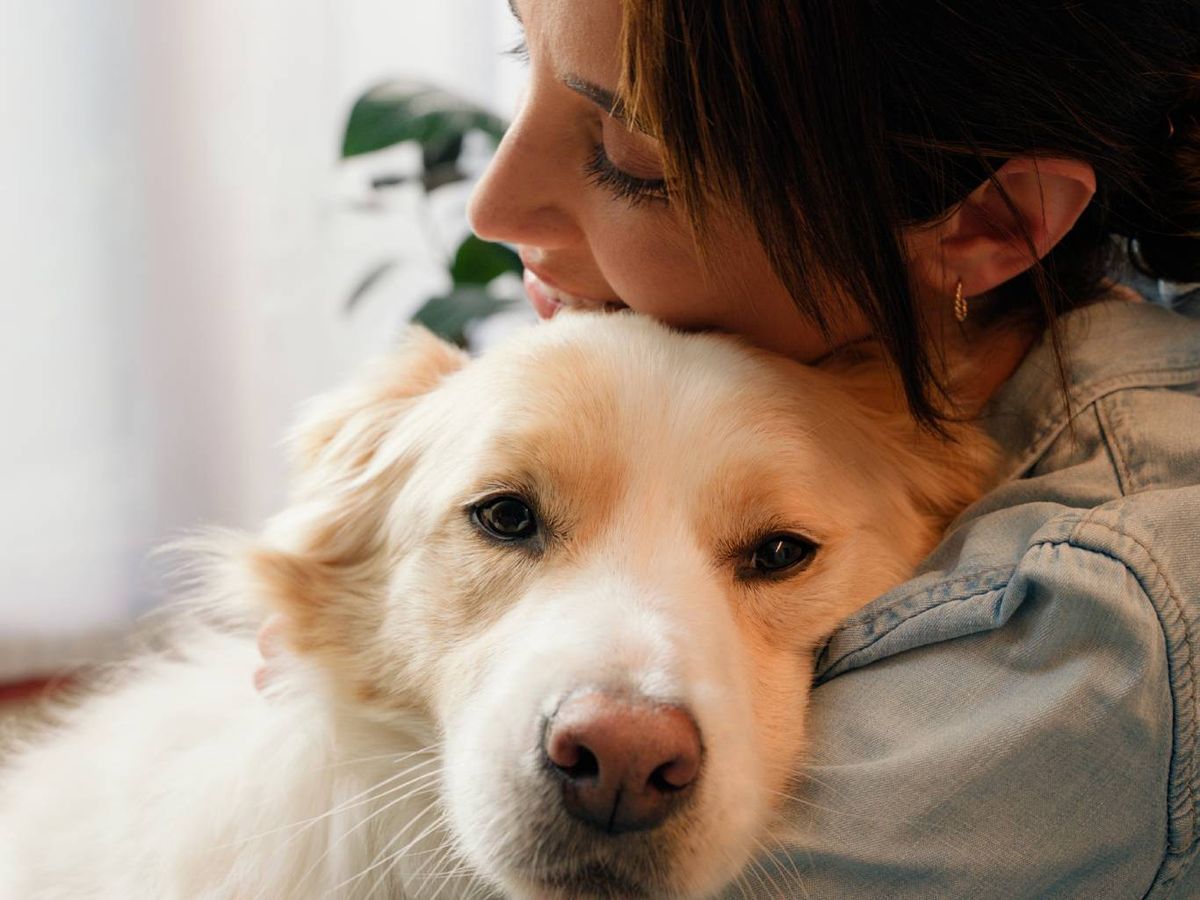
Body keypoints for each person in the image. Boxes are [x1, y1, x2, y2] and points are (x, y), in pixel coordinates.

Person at [270, 0, 1200, 895]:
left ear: (988, 222)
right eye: (525, 57)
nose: (496, 206)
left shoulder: (1096, 620)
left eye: (635, 159)